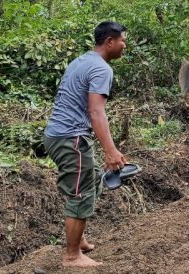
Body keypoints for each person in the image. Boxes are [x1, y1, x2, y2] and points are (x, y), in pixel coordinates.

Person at [43, 21, 128, 268]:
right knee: (81, 192)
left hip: (58, 135)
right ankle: (71, 256)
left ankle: (79, 240)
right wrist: (111, 151)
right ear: (110, 42)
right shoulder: (102, 69)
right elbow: (96, 112)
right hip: (71, 138)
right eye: (123, 40)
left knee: (90, 177)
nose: (125, 45)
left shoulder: (81, 61)